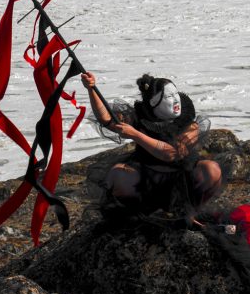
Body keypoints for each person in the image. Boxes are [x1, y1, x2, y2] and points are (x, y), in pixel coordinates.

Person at [81, 72, 222, 223]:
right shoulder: (140, 116)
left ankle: (190, 211)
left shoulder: (187, 120)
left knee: (211, 170)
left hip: (183, 177)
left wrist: (136, 135)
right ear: (154, 102)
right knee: (117, 174)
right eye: (168, 96)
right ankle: (144, 213)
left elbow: (172, 153)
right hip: (146, 174)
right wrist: (91, 88)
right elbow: (106, 119)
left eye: (176, 94)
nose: (176, 100)